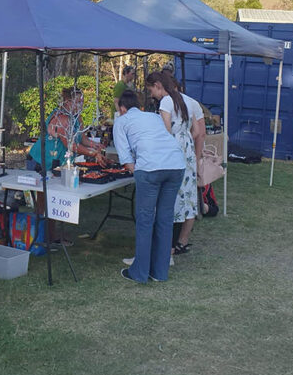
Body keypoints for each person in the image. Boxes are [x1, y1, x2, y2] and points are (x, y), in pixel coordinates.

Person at [113, 90, 185, 283]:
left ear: (122, 108)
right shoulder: (153, 117)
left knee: (145, 220)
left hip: (151, 169)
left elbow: (126, 158)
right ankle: (160, 272)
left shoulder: (121, 121)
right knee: (164, 219)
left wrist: (135, 169)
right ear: (138, 105)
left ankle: (140, 273)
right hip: (177, 165)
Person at [27, 87, 105, 245]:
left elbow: (82, 140)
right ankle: (42, 239)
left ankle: (52, 237)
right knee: (44, 202)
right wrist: (92, 154)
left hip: (56, 163)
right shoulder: (62, 118)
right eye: (78, 102)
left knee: (55, 198)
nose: (81, 105)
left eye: (82, 102)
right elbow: (71, 146)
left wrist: (96, 146)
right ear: (68, 102)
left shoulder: (77, 117)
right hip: (41, 162)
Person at [145, 71, 205, 254]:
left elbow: (165, 131)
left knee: (169, 197)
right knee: (188, 196)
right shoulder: (186, 100)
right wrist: (186, 141)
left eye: (150, 89)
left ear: (157, 85)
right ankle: (182, 241)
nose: (150, 94)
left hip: (173, 151)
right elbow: (197, 131)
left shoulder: (165, 102)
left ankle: (166, 244)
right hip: (186, 149)